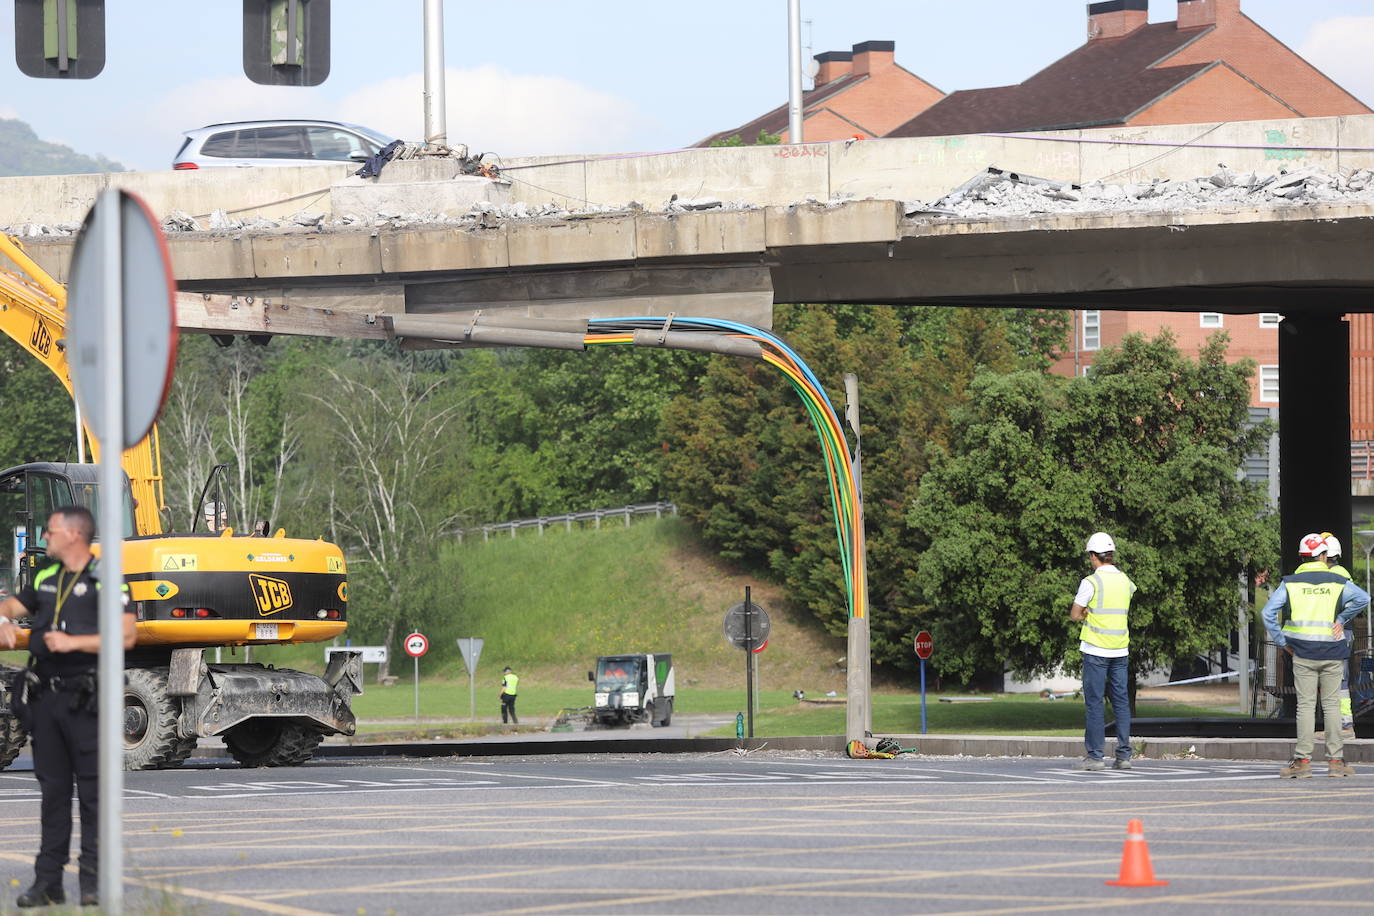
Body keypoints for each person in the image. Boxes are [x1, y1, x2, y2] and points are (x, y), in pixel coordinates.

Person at [0, 505, 135, 908]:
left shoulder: (105, 578)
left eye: (50, 532)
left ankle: (92, 881)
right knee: (52, 794)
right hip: (46, 699)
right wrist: (3, 617)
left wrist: (74, 643)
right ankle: (48, 882)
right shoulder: (44, 576)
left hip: (87, 699)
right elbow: (12, 605)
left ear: (74, 535)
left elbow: (126, 636)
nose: (44, 539)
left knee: (94, 794)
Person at [1262, 532, 1370, 778]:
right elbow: (1364, 598)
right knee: (1332, 705)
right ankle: (1335, 763)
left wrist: (1281, 641)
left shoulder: (1290, 582)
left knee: (1306, 706)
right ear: (1322, 555)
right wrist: (1341, 619)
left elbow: (1268, 613)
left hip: (1302, 653)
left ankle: (1303, 763)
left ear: (1303, 558)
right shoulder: (1337, 581)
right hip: (1333, 651)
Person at [1068, 531, 1137, 771]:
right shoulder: (1125, 581)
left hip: (1096, 650)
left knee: (1095, 703)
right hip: (1120, 650)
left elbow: (1075, 614)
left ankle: (1096, 757)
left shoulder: (1091, 582)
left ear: (1093, 556)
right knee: (1121, 702)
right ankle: (1124, 755)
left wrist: (1087, 612)